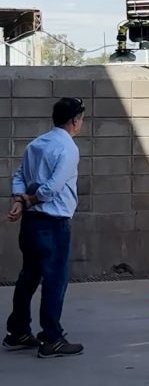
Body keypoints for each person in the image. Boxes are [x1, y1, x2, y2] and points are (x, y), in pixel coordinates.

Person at [4, 98, 87, 358]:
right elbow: (53, 187)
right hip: (53, 224)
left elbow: (19, 175)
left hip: (31, 223)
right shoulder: (68, 148)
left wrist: (19, 200)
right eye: (81, 118)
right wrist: (30, 199)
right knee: (55, 280)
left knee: (28, 276)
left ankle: (18, 331)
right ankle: (52, 338)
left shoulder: (36, 144)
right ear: (74, 121)